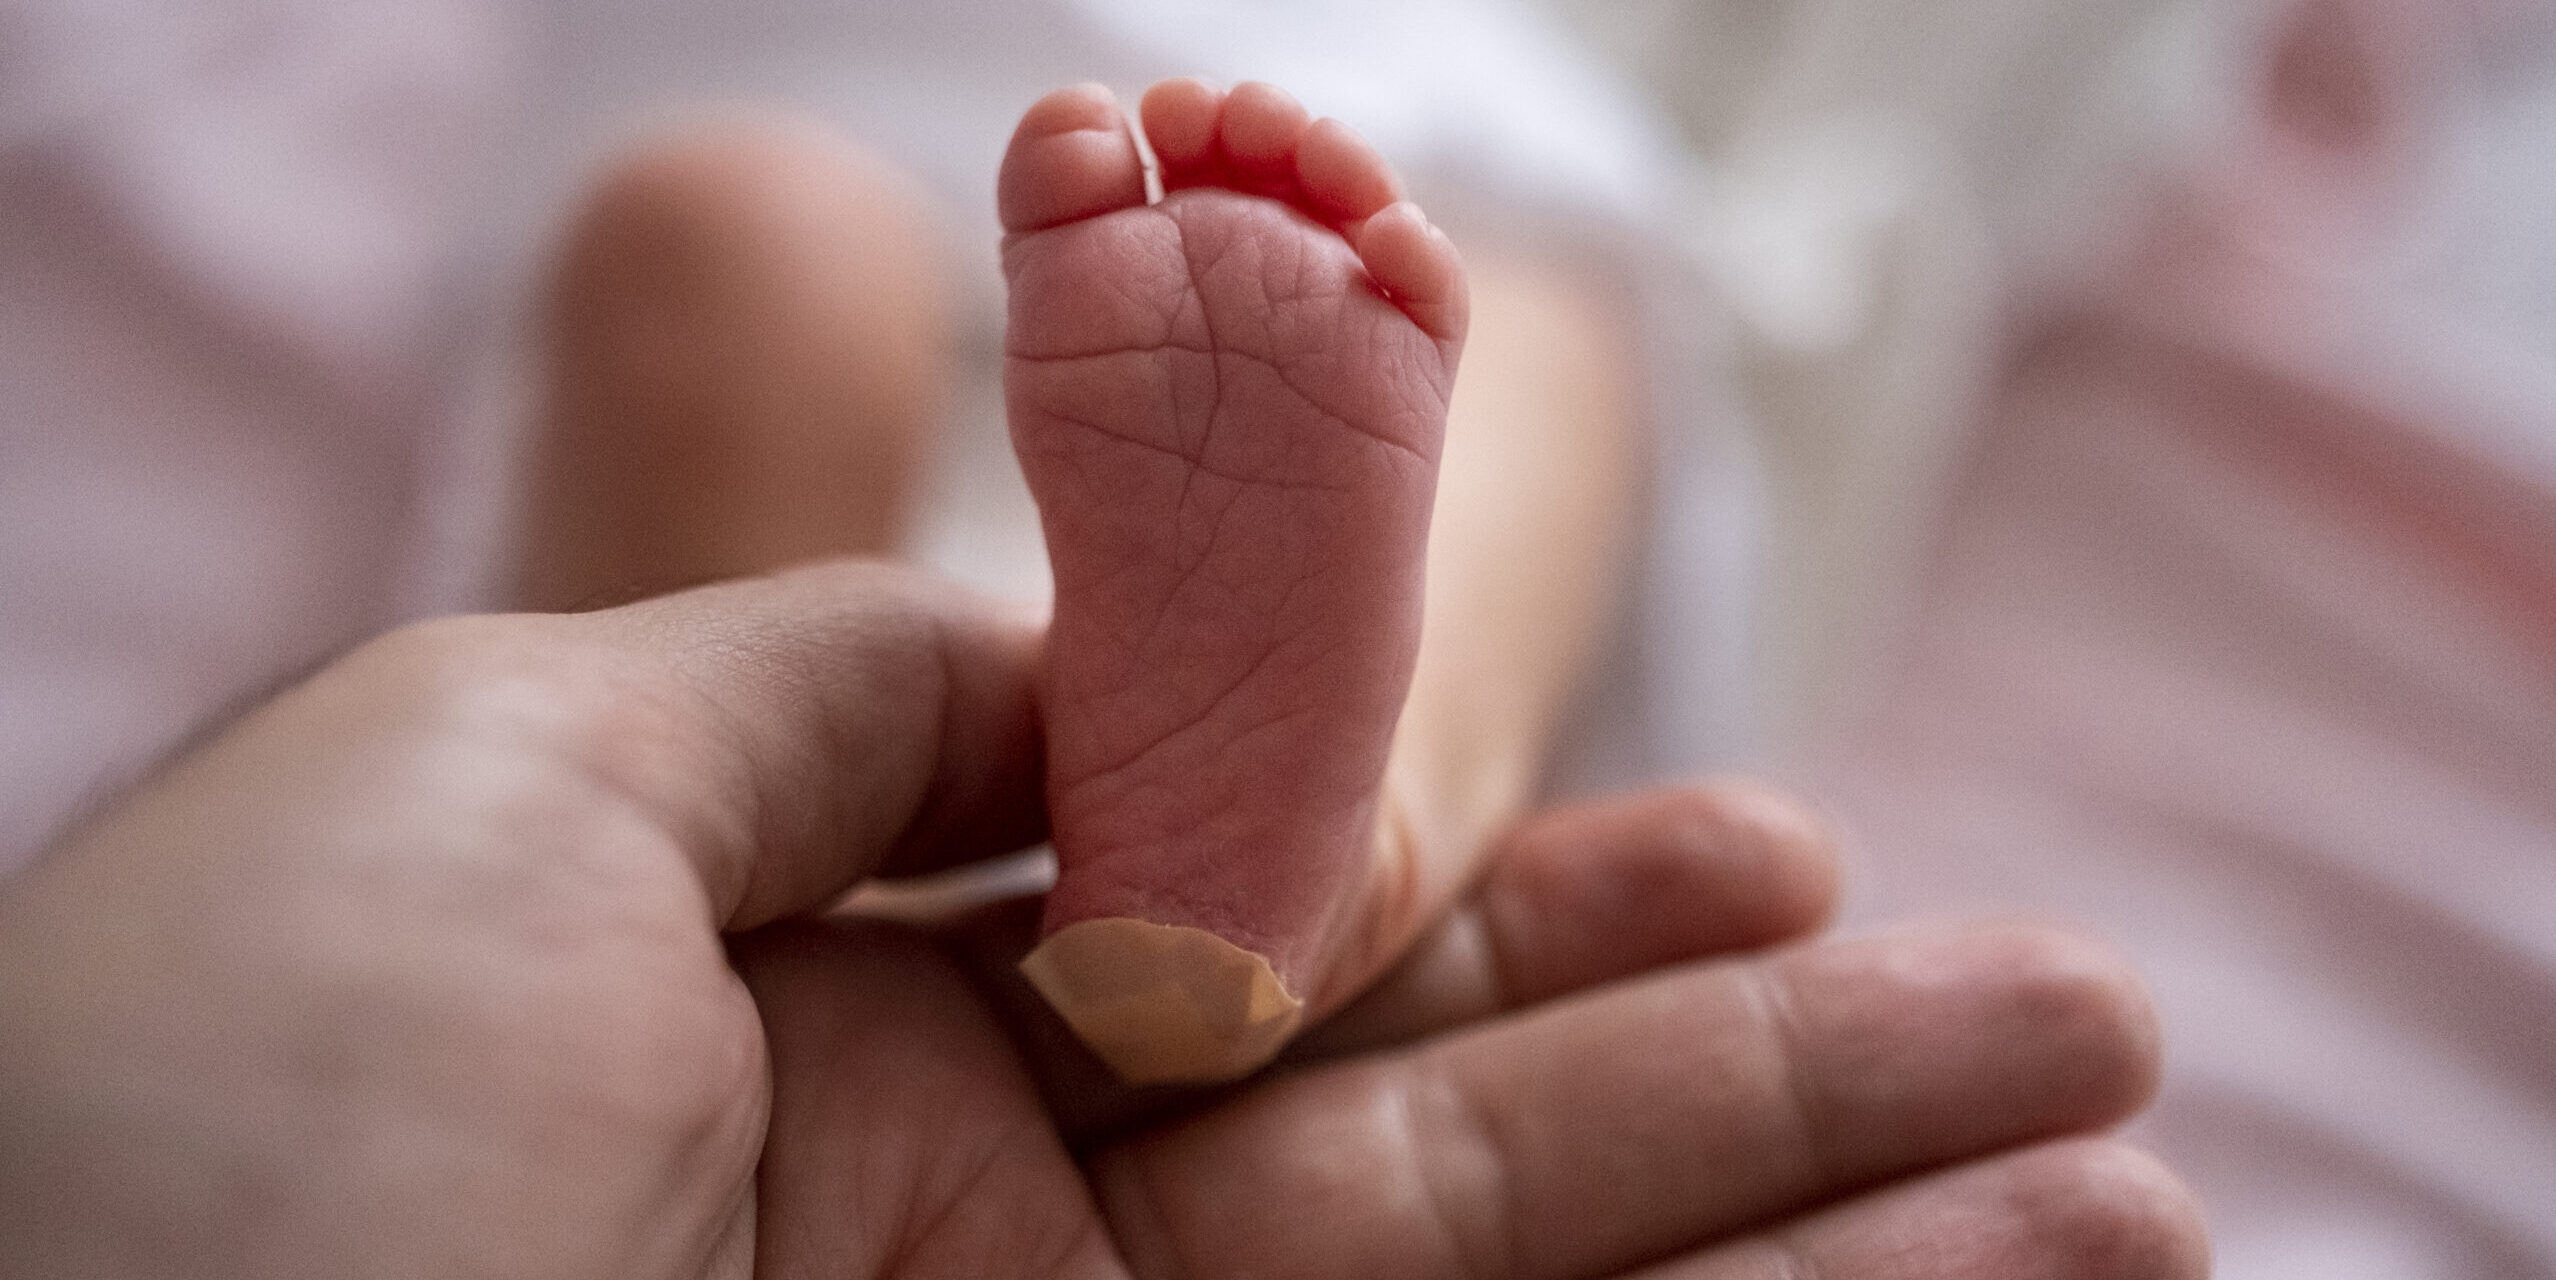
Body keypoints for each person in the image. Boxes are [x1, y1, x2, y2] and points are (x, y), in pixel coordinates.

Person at [0, 69, 2208, 1278]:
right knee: (1569, 323)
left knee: (737, 215)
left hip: (856, 61)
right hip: (1482, 89)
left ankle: (761, 812)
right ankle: (1309, 876)